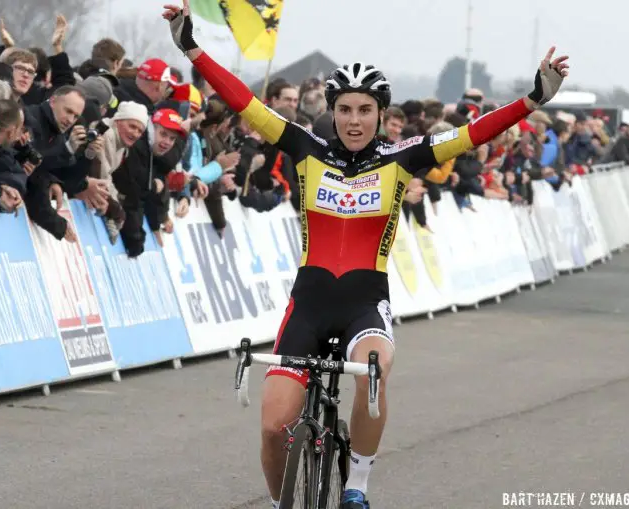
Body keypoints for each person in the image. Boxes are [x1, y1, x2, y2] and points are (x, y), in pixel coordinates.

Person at [163, 2, 569, 508]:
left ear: (380, 114)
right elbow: (243, 101)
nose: (354, 120)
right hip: (308, 304)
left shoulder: (404, 157)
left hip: (364, 303)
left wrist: (533, 99)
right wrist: (192, 49)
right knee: (272, 427)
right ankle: (279, 502)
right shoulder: (306, 148)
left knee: (373, 370)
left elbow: (473, 134)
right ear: (332, 112)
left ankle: (357, 483)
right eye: (345, 109)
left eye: (365, 110)